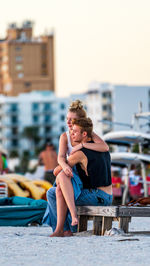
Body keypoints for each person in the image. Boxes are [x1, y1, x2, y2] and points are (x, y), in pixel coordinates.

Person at [42, 100, 109, 228]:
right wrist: (65, 166)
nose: (68, 122)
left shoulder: (87, 134)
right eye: (67, 119)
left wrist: (82, 145)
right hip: (69, 169)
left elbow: (105, 147)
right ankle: (61, 228)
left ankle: (69, 226)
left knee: (60, 183)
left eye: (71, 120)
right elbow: (60, 158)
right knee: (54, 190)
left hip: (80, 171)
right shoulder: (65, 136)